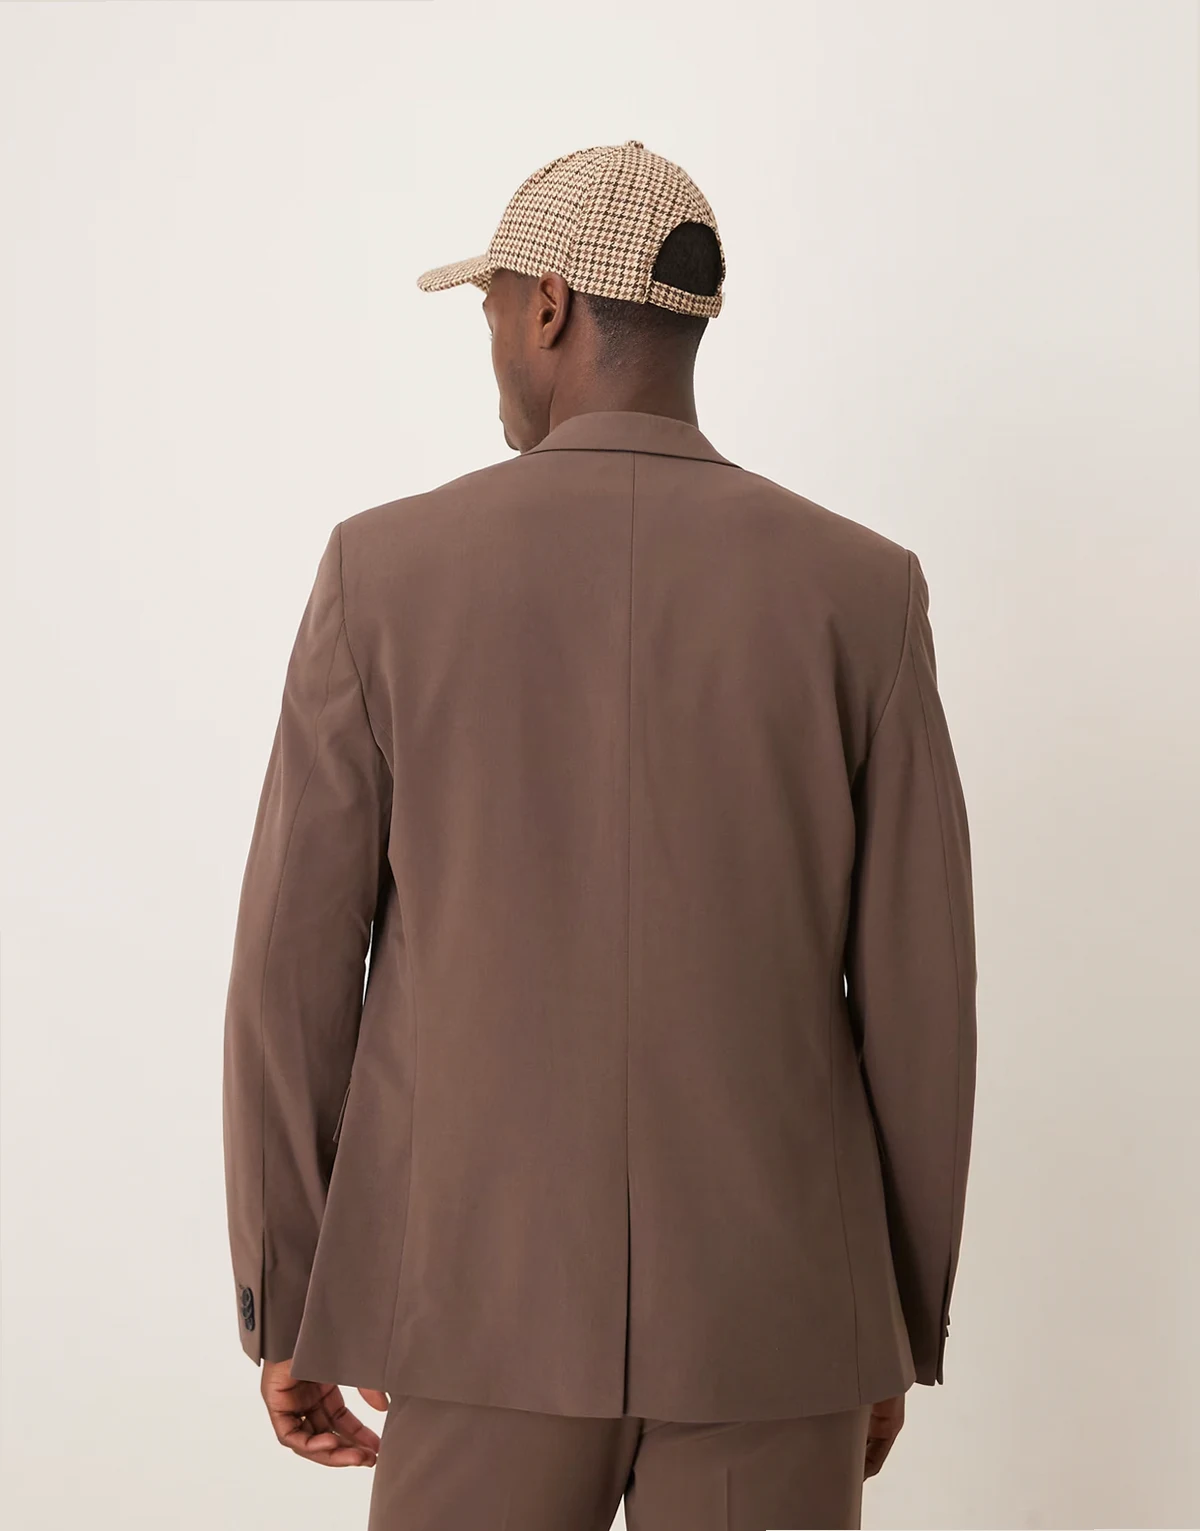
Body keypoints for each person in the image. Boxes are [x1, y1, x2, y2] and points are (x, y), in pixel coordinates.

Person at [221, 139, 977, 1531]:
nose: (493, 348)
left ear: (551, 307)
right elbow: (923, 998)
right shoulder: (863, 590)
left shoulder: (382, 572)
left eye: (492, 309)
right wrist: (885, 1324)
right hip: (776, 1320)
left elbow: (292, 968)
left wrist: (290, 1289)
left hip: (471, 1311)